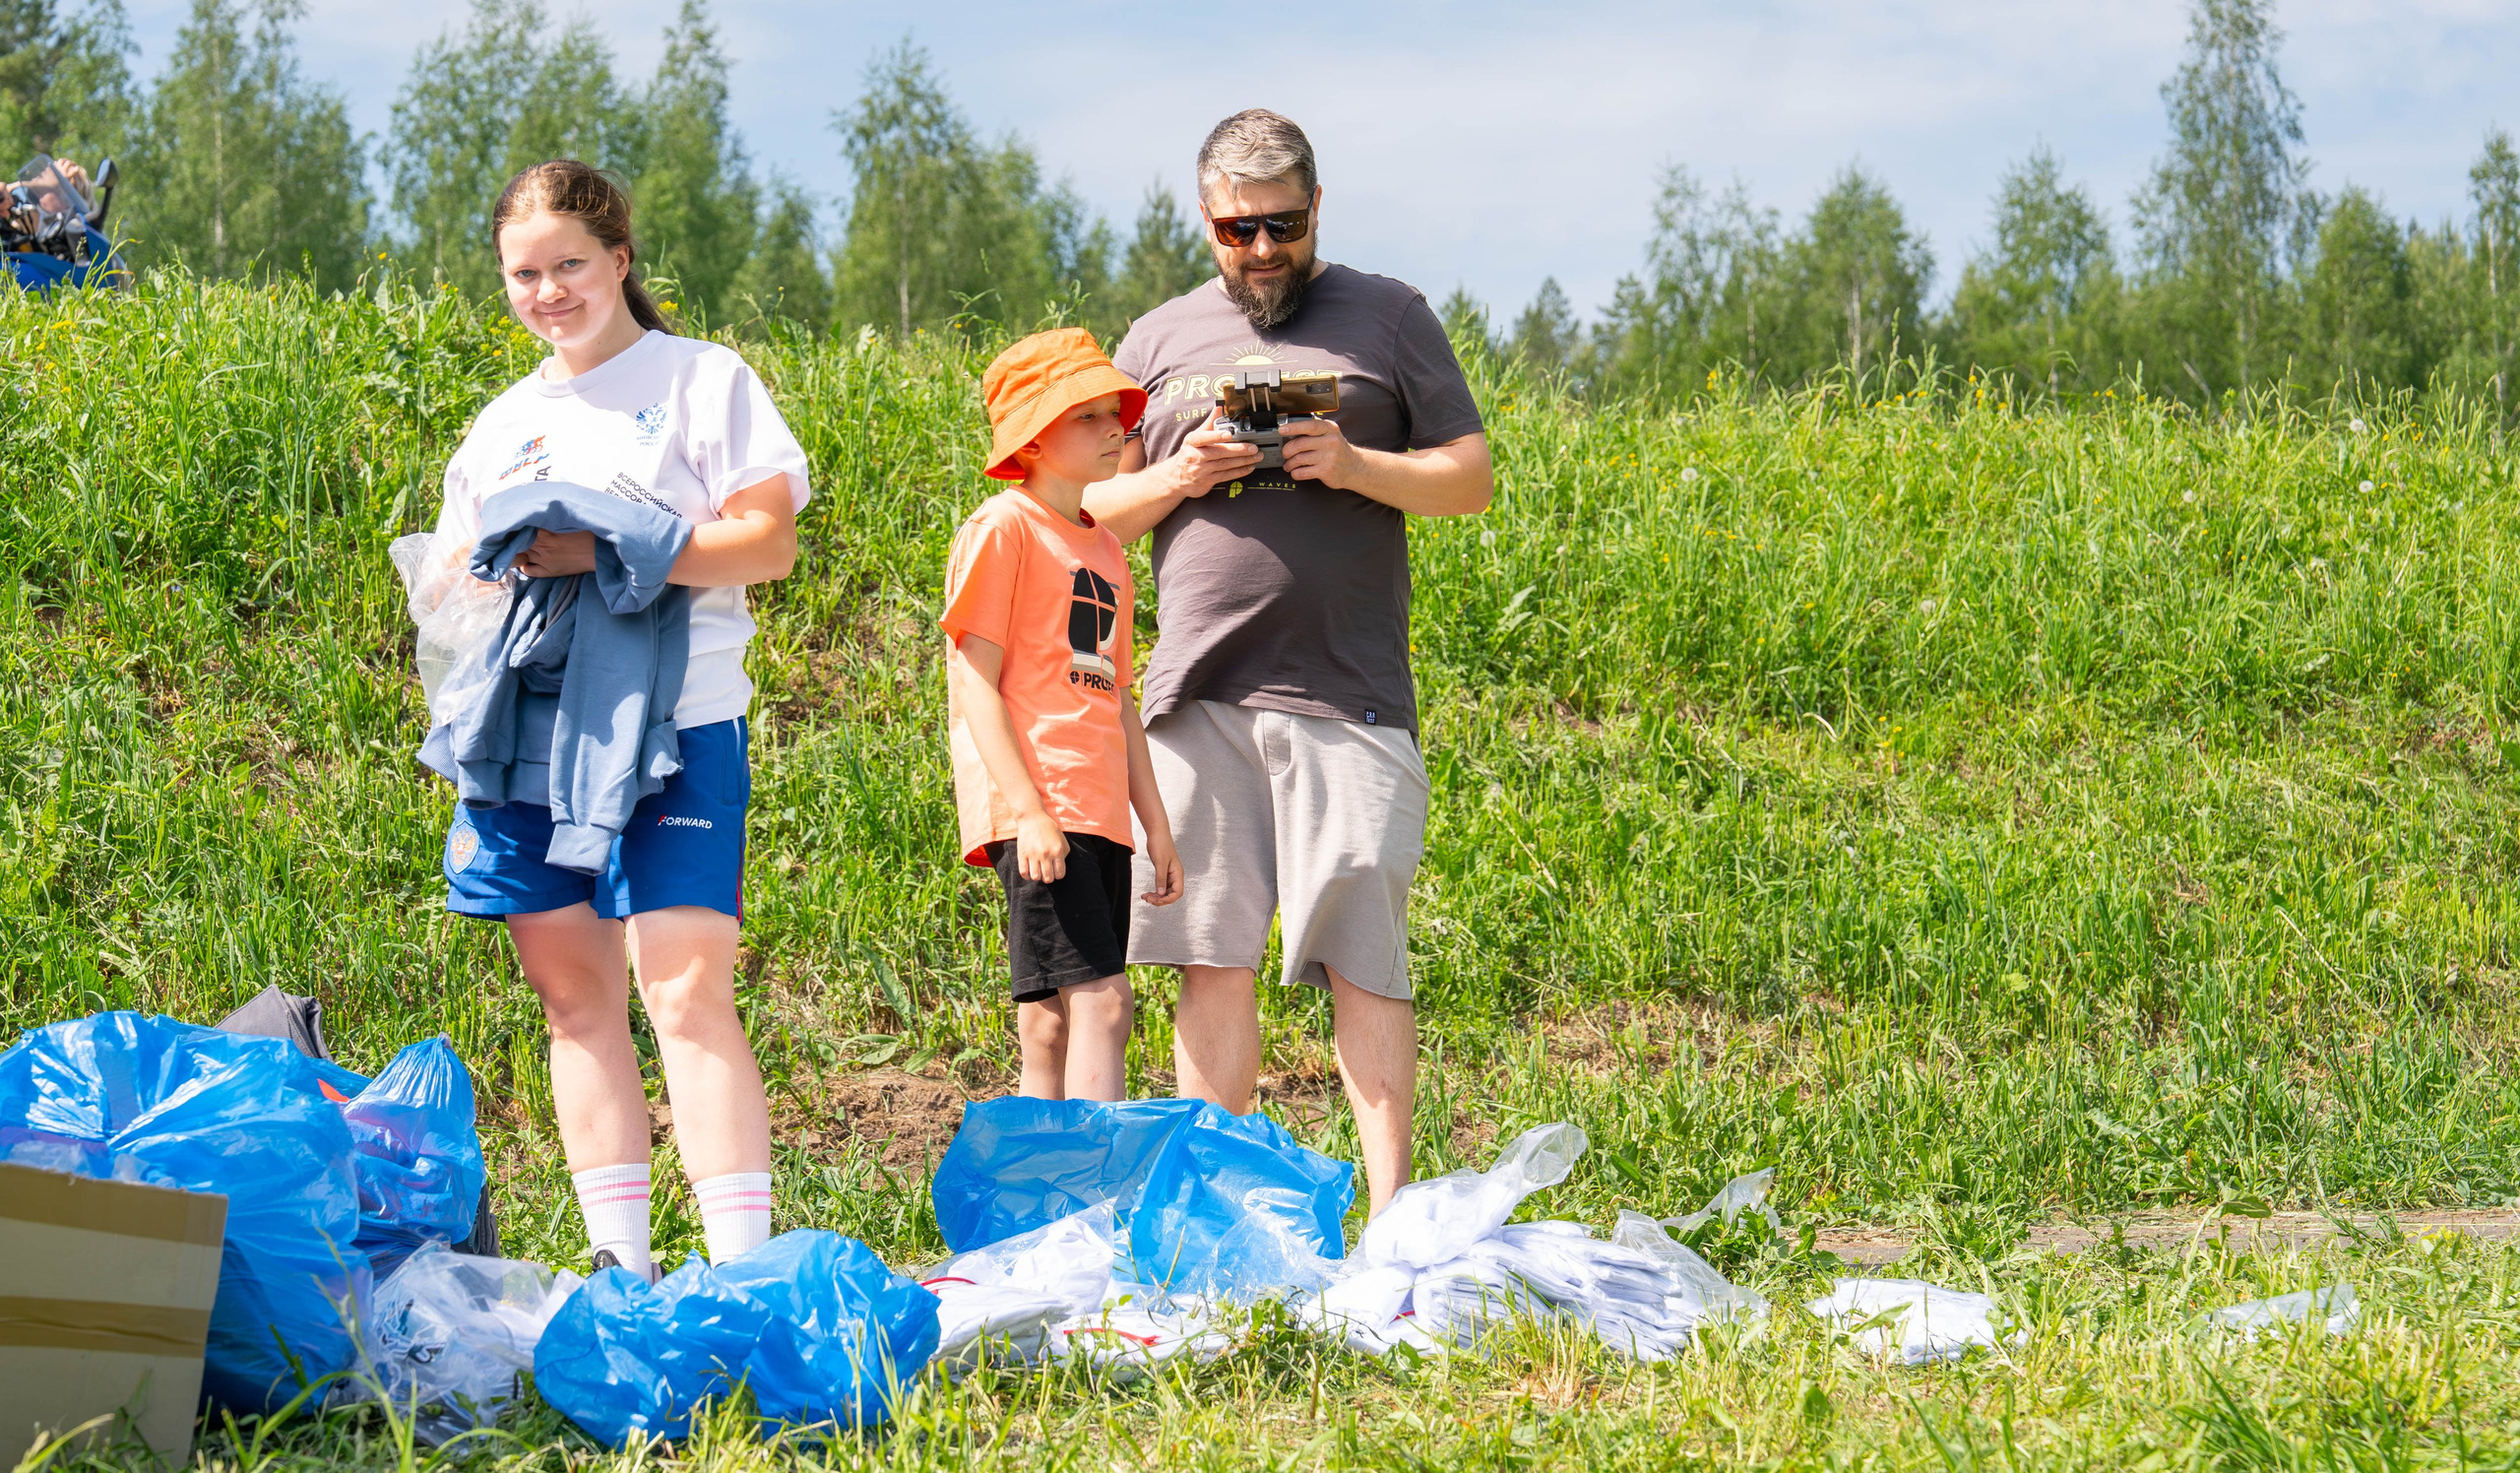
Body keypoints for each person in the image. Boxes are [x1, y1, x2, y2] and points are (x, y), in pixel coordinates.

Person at [1089, 110, 1493, 1216]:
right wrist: (1183, 474)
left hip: (1344, 692)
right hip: (1194, 692)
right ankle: (1221, 1216)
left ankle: (1393, 1215)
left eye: (1281, 225)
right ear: (1205, 221)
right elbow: (1095, 511)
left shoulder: (1390, 315)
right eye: (1237, 230)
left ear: (1318, 209)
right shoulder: (1156, 339)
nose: (1260, 250)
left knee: (1363, 948)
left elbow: (1468, 477)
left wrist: (1352, 462)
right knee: (1207, 952)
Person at [425, 160, 809, 1277]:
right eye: (524, 274)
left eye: (570, 266)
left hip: (676, 725)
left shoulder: (702, 380)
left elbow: (767, 542)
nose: (548, 292)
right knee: (572, 997)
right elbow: (456, 578)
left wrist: (606, 547)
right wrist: (476, 571)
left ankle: (742, 1269)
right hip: (530, 737)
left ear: (621, 261)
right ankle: (619, 1267)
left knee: (685, 990)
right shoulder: (503, 422)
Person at [942, 329, 1185, 1101]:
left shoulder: (1108, 552)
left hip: (1101, 811)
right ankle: (1093, 1198)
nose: (1115, 428)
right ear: (1034, 438)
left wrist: (1156, 824)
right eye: (1088, 415)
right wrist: (1029, 812)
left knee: (1050, 1019)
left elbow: (1118, 701)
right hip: (1044, 808)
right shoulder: (1002, 526)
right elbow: (973, 679)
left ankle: (1041, 1199)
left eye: (1117, 412)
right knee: (1105, 1005)